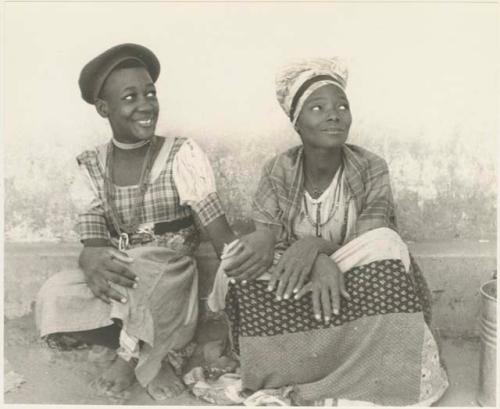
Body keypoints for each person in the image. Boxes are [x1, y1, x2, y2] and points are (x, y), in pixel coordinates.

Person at [209, 57, 449, 406]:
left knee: (387, 244)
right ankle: (285, 361)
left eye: (341, 106)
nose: (333, 114)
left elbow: (372, 235)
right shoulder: (278, 169)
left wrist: (315, 247)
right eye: (317, 108)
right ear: (297, 123)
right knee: (234, 258)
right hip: (295, 279)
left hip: (354, 279)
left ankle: (364, 366)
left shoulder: (370, 167)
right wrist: (309, 256)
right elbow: (267, 240)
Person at [35, 43, 266, 401]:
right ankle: (151, 348)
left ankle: (131, 360)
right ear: (103, 108)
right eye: (130, 97)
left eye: (150, 94)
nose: (145, 105)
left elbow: (221, 239)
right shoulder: (91, 166)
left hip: (169, 278)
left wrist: (255, 275)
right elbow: (95, 246)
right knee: (55, 292)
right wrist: (92, 260)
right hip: (125, 280)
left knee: (147, 269)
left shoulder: (181, 154)